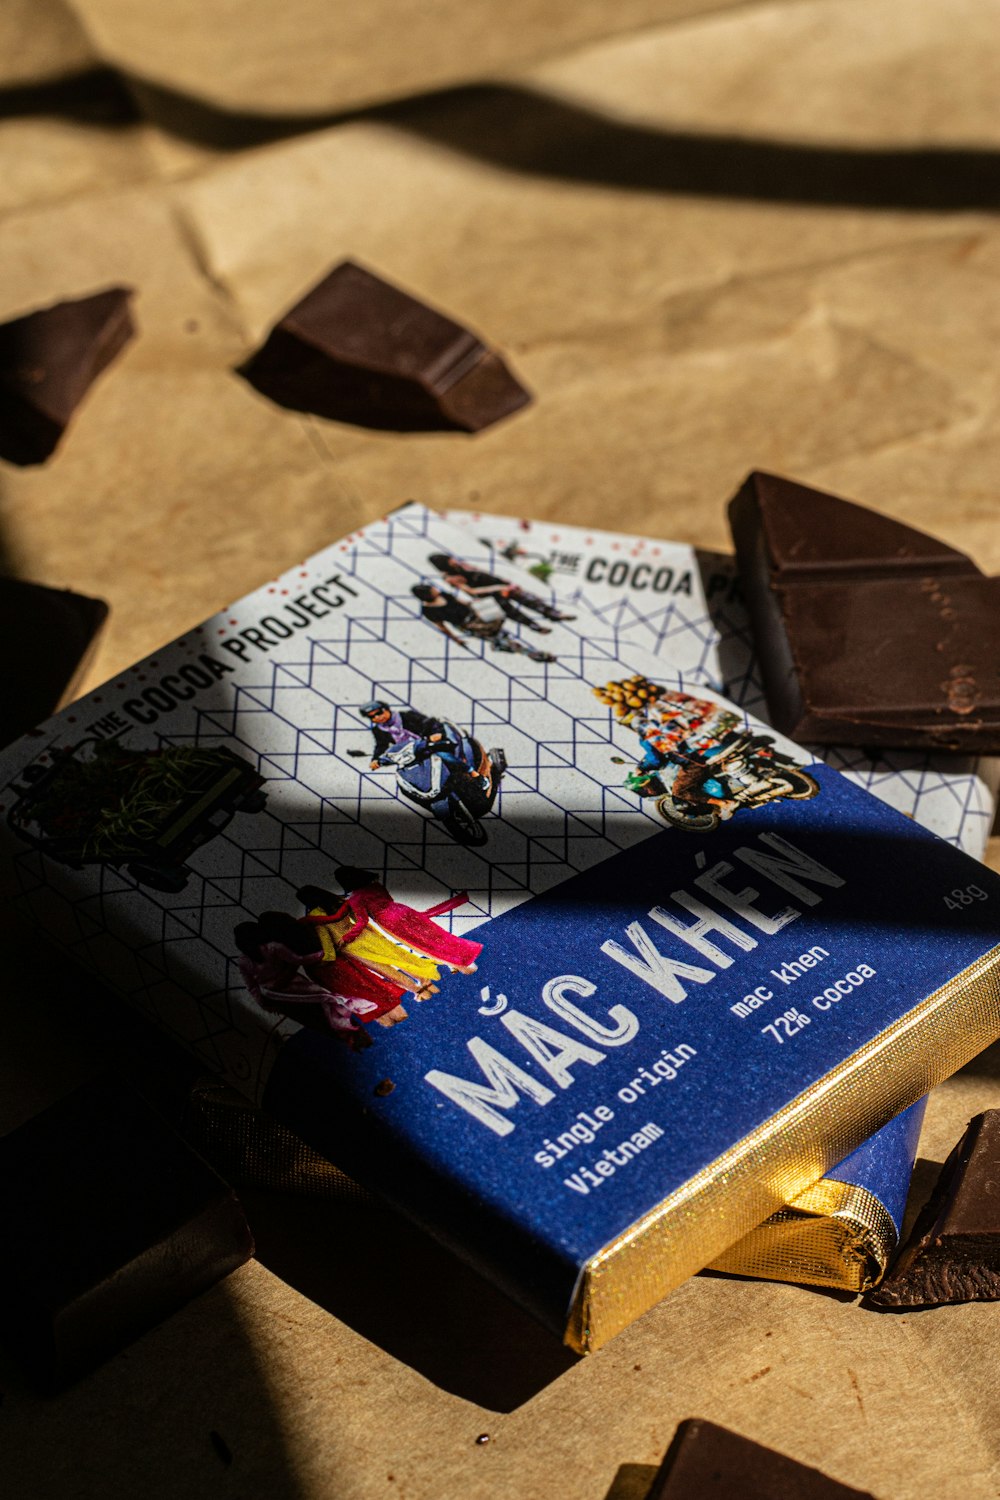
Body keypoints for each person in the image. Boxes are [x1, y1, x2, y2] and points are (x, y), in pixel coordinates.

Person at [334, 865, 482, 972]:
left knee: (422, 944)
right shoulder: (375, 885)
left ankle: (461, 964)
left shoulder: (355, 899)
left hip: (390, 922)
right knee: (435, 934)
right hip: (401, 909)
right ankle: (467, 952)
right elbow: (388, 899)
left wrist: (346, 938)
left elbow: (362, 922)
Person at [411, 583, 556, 663]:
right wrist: (456, 639)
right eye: (432, 590)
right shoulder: (428, 610)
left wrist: (477, 604)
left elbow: (462, 602)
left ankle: (500, 646)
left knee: (501, 626)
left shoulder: (443, 595)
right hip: (469, 625)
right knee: (501, 637)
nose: (436, 589)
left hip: (476, 614)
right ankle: (535, 654)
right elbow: (441, 626)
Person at [426, 554, 574, 627]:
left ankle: (554, 614)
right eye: (449, 560)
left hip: (497, 584)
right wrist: (498, 588)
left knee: (529, 598)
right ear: (444, 564)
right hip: (488, 594)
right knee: (511, 612)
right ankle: (534, 626)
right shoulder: (450, 577)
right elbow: (471, 591)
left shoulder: (460, 565)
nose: (453, 560)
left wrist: (504, 582)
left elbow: (481, 572)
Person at [358, 701, 469, 780]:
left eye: (379, 713)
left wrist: (435, 734)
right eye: (372, 717)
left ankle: (472, 774)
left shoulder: (407, 716)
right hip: (410, 753)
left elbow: (430, 723)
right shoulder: (378, 729)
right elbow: (381, 745)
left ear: (386, 709)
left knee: (445, 758)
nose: (377, 717)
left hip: (428, 745)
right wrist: (376, 759)